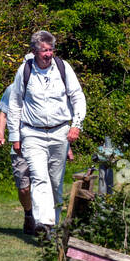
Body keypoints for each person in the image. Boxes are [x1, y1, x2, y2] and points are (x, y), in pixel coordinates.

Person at [7, 30, 86, 236]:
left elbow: (77, 96)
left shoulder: (63, 68)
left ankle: (54, 229)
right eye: (44, 50)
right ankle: (44, 222)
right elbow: (14, 104)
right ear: (34, 51)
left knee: (55, 182)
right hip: (32, 133)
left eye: (51, 50)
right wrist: (15, 136)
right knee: (39, 176)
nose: (49, 54)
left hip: (60, 132)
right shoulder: (25, 70)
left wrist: (76, 125)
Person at [0, 81, 34, 234]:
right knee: (24, 188)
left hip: (42, 144)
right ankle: (28, 213)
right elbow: (3, 114)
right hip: (19, 146)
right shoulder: (12, 89)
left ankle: (43, 221)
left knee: (42, 184)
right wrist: (0, 136)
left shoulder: (48, 86)